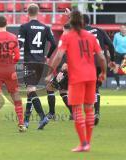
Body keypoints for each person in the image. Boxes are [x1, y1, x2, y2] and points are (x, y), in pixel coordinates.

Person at [46, 10, 107, 152]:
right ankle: (88, 143)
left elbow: (58, 55)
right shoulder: (90, 37)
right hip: (91, 76)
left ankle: (83, 143)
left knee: (77, 109)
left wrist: (49, 73)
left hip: (77, 78)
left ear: (71, 22)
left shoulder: (67, 37)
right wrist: (103, 72)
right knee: (89, 109)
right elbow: (102, 57)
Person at [0, 16, 26, 134]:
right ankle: (21, 124)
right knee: (15, 95)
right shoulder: (13, 37)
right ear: (7, 24)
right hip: (9, 68)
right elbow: (17, 57)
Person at [18, 3, 56, 129]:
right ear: (38, 12)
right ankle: (27, 120)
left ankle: (42, 117)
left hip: (29, 61)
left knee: (30, 90)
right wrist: (47, 56)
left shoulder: (24, 27)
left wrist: (13, 53)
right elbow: (54, 44)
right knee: (31, 89)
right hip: (40, 62)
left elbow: (19, 44)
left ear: (27, 13)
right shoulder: (45, 27)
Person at [83, 14, 115, 125]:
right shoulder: (100, 31)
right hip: (100, 62)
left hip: (86, 63)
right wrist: (112, 60)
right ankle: (96, 112)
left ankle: (90, 113)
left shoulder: (80, 32)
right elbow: (110, 45)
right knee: (95, 87)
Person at [113, 24, 126, 89]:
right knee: (115, 70)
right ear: (120, 29)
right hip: (117, 54)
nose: (123, 29)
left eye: (124, 28)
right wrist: (113, 53)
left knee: (125, 70)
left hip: (125, 55)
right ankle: (118, 85)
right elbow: (113, 45)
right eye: (121, 28)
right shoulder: (116, 35)